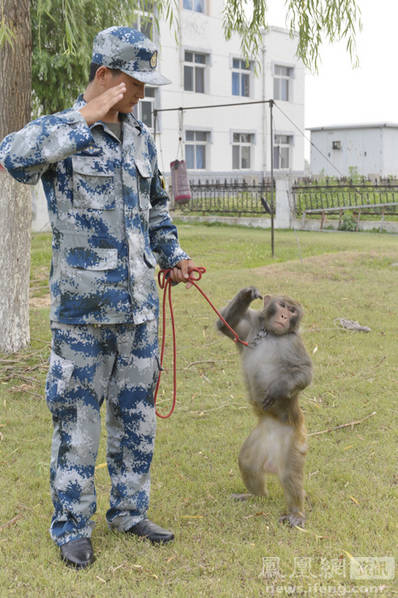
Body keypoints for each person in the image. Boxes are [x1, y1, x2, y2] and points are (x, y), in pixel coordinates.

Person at [0, 26, 196, 569]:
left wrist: (173, 256)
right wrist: (82, 118)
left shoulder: (141, 137)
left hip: (138, 312)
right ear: (105, 75)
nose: (142, 94)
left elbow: (157, 209)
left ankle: (130, 511)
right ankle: (71, 525)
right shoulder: (65, 132)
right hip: (82, 316)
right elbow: (12, 157)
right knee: (77, 425)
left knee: (136, 420)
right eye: (135, 83)